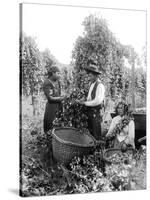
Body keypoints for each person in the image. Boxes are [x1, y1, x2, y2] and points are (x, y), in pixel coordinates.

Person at [77, 64, 105, 141]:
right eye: (89, 76)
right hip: (90, 112)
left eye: (91, 76)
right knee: (90, 132)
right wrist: (84, 100)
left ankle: (98, 150)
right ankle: (91, 150)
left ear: (96, 76)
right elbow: (90, 97)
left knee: (96, 133)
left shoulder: (100, 86)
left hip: (95, 113)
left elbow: (97, 101)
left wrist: (85, 103)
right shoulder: (92, 84)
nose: (89, 78)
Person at [43, 65, 65, 134]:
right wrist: (61, 98)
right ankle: (50, 140)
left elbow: (59, 93)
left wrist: (62, 97)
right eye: (58, 73)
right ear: (53, 73)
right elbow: (50, 98)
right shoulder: (47, 83)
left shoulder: (58, 82)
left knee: (58, 124)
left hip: (58, 106)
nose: (60, 75)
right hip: (51, 108)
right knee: (51, 125)